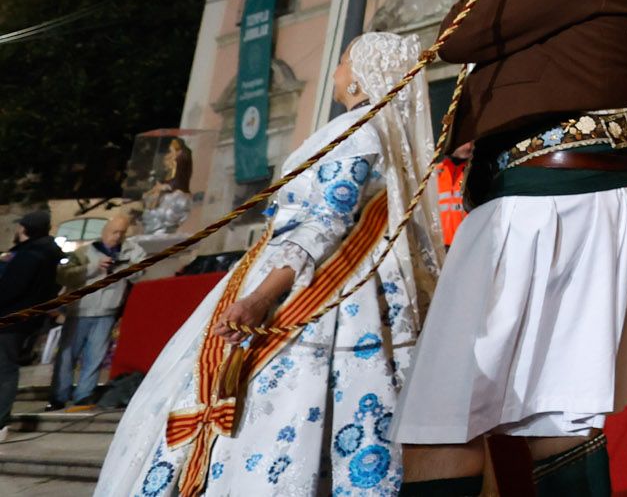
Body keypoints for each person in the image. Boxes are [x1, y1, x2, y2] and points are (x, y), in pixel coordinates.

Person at [396, 0, 627, 497]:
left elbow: (464, 31)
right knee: (558, 407)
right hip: (587, 183)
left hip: (544, 190)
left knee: (441, 406)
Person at [94, 32, 441, 496]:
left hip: (312, 285)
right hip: (355, 284)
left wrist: (260, 298)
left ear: (361, 81)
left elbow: (324, 222)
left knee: (275, 402)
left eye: (341, 63)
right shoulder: (381, 134)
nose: (335, 73)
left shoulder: (356, 131)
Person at [47, 208, 142, 409]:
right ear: (105, 231)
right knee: (67, 356)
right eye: (113, 232)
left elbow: (140, 273)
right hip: (79, 311)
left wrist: (125, 265)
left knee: (95, 357)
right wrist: (93, 268)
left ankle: (84, 394)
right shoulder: (84, 252)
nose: (117, 237)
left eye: (121, 233)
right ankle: (59, 395)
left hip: (107, 311)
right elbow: (64, 275)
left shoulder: (130, 252)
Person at [0, 209, 63, 439]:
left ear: (25, 229)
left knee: (5, 370)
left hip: (10, 320)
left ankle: (1, 421)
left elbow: (11, 288)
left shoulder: (32, 255)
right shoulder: (38, 253)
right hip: (18, 319)